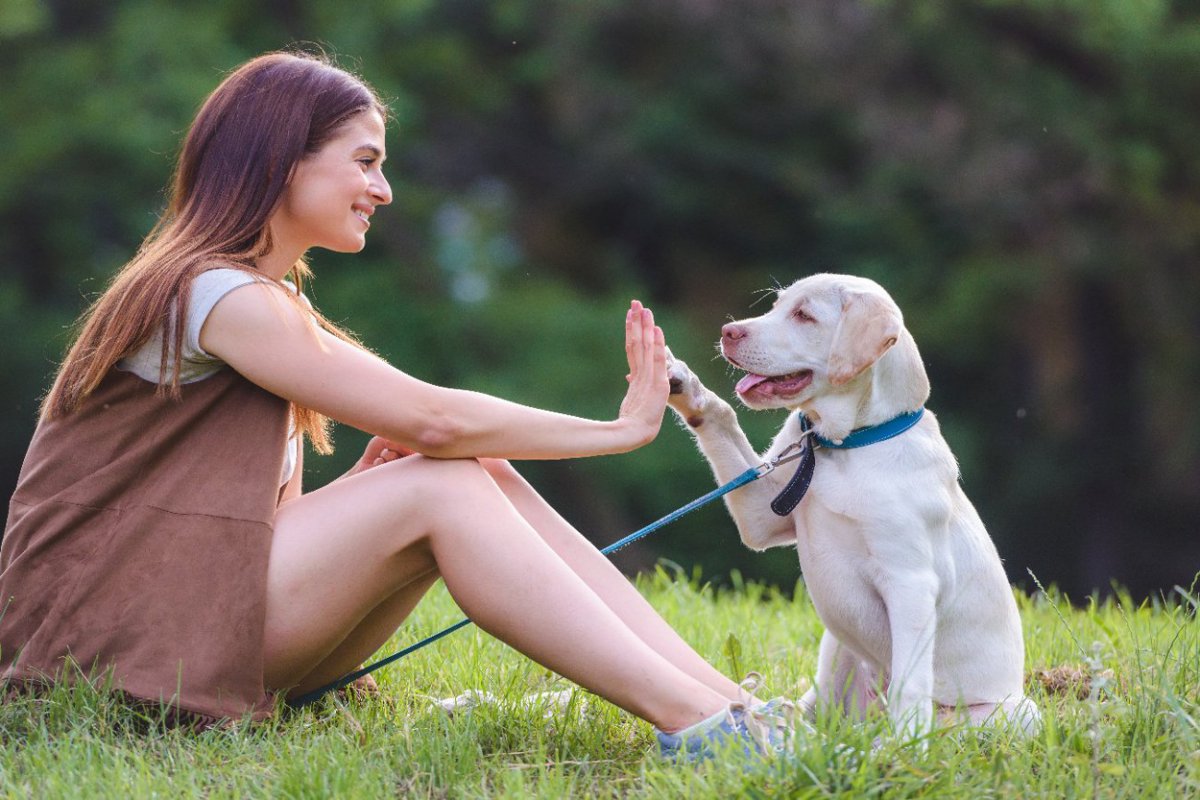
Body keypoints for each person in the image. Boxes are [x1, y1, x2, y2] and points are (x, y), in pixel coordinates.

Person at [0, 51, 789, 756]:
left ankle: (734, 708)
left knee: (461, 467)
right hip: (105, 650)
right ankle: (700, 724)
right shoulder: (212, 292)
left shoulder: (253, 300)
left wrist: (358, 501)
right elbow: (432, 416)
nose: (383, 189)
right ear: (283, 162)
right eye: (366, 162)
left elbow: (244, 523)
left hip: (172, 625)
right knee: (438, 468)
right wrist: (618, 431)